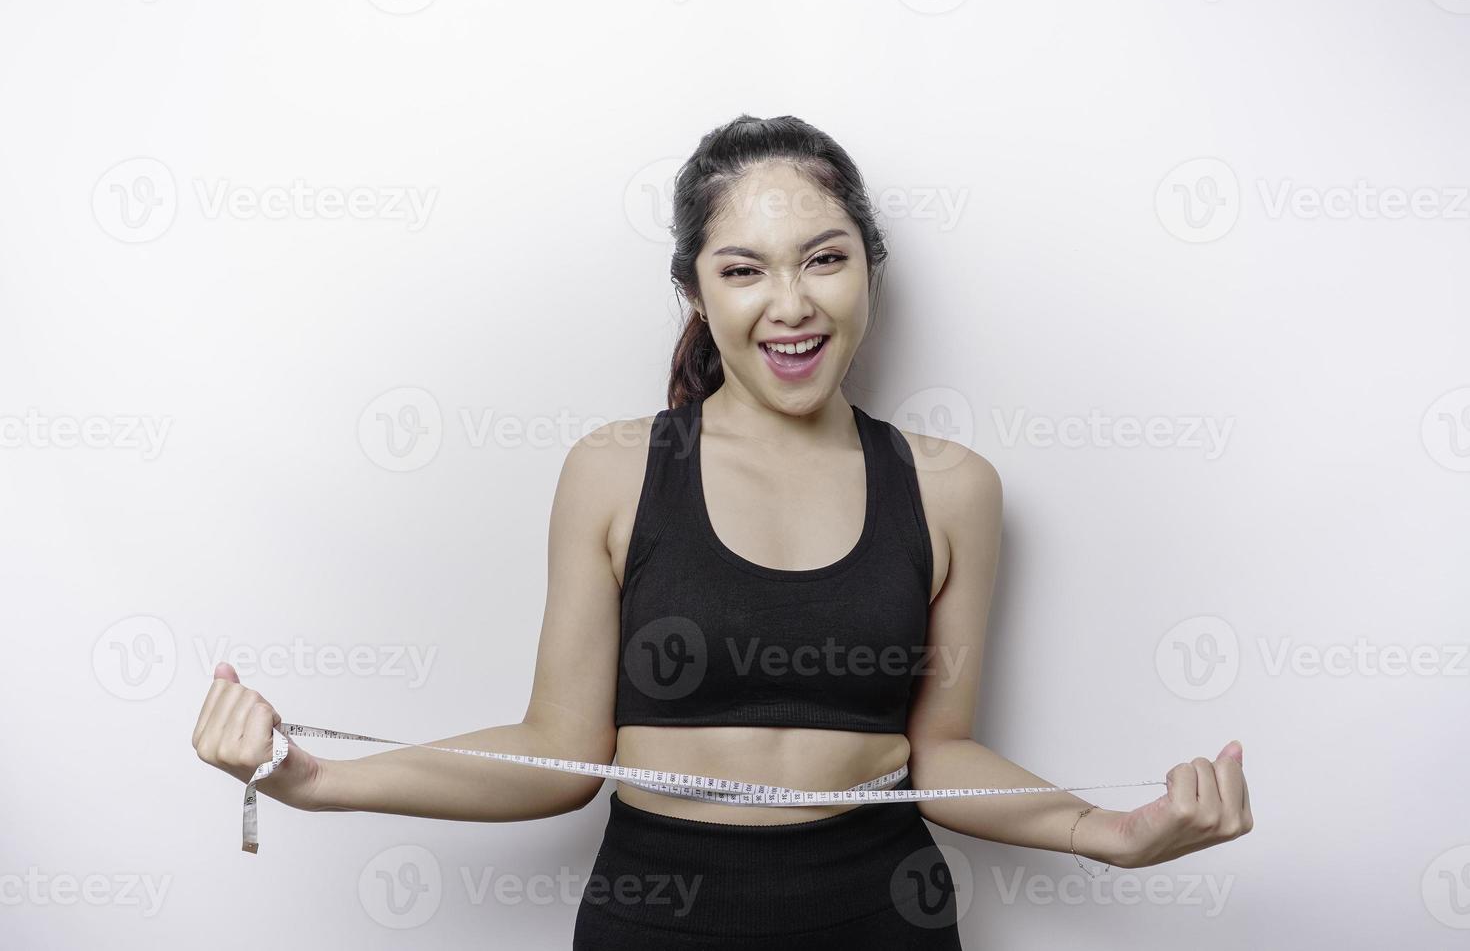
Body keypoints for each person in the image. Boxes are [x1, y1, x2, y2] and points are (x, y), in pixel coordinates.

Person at [192, 114, 1253, 948]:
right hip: (656, 922)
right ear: (695, 290)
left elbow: (945, 750)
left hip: (887, 916)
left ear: (867, 268)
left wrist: (1111, 835)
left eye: (823, 259)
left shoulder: (955, 487)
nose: (789, 304)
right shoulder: (614, 470)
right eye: (744, 269)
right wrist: (314, 778)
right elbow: (560, 751)